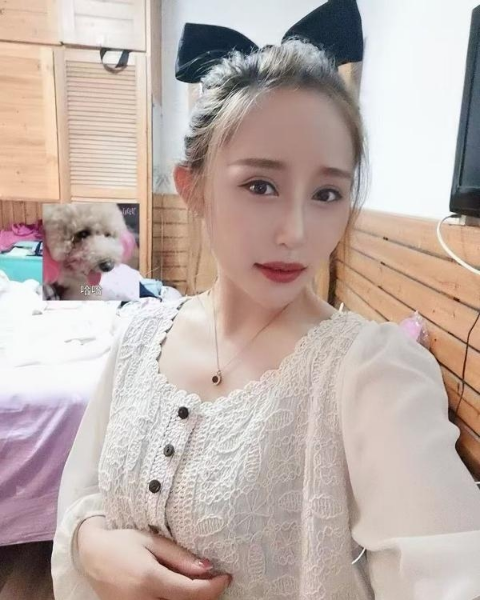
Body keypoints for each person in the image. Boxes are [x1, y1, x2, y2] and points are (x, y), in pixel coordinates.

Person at [51, 11, 480, 600]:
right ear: (193, 187)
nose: (296, 233)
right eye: (261, 186)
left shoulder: (369, 373)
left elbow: (452, 572)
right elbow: (82, 491)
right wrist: (89, 543)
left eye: (327, 193)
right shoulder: (140, 337)